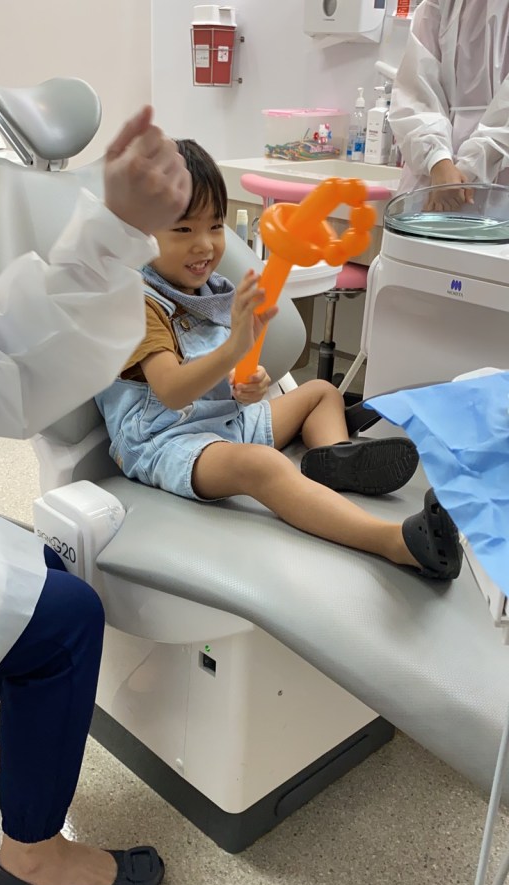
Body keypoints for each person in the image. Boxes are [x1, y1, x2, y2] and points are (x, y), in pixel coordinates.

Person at [0, 106, 192, 885]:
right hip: (170, 445)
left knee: (29, 567)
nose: (205, 246)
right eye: (192, 228)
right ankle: (32, 858)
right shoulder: (155, 306)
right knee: (63, 615)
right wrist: (117, 232)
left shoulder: (217, 288)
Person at [96, 139, 462, 581]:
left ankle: (336, 459)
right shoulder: (138, 301)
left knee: (321, 392)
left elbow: (222, 376)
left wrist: (244, 384)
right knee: (262, 465)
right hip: (165, 441)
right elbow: (172, 391)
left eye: (215, 226)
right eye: (183, 230)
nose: (205, 245)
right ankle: (398, 543)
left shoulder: (206, 291)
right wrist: (234, 348)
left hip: (224, 421)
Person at [389, 0, 509, 211]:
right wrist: (438, 161)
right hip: (432, 179)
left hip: (495, 180)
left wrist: (459, 173)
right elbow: (415, 92)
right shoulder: (436, 4)